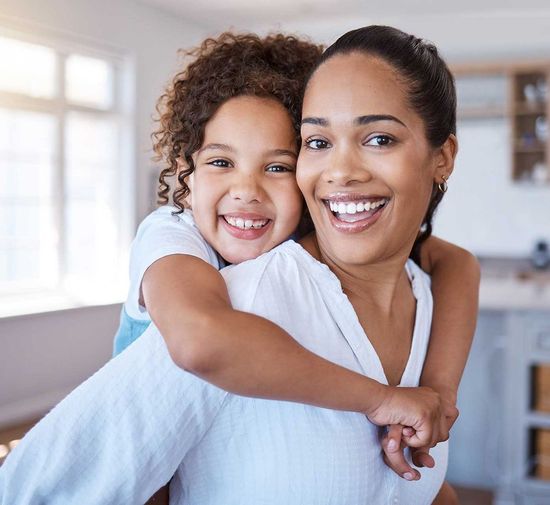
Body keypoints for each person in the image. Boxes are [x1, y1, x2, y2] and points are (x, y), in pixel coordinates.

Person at [0, 27, 475, 504]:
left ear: (443, 158)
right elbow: (199, 343)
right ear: (186, 172)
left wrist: (439, 394)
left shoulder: (421, 286)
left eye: (377, 138)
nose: (341, 171)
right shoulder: (202, 264)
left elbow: (458, 263)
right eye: (319, 142)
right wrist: (379, 398)